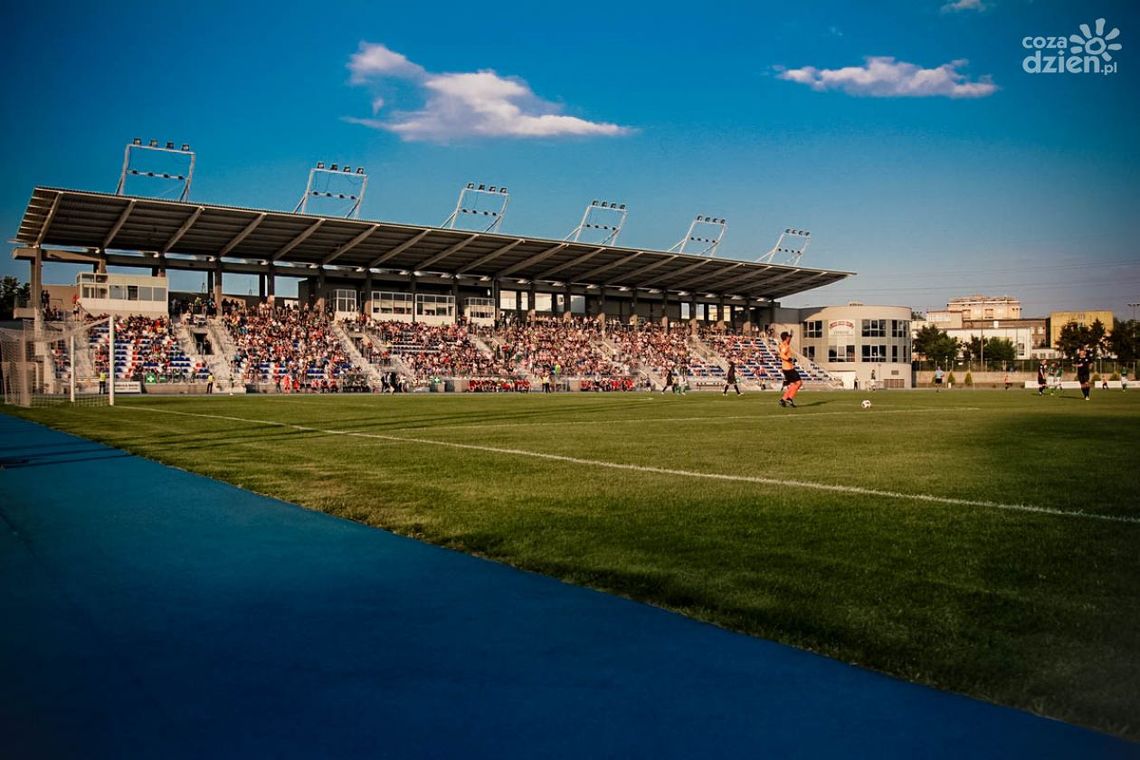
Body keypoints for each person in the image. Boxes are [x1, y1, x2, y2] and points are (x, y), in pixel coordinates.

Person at [777, 331, 803, 408]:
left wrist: (790, 336)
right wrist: (790, 359)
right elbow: (782, 354)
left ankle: (783, 399)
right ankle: (789, 398)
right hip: (789, 368)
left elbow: (785, 345)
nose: (790, 338)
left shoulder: (783, 344)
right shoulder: (785, 346)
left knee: (793, 385)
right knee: (799, 383)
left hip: (786, 368)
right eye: (788, 337)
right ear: (786, 338)